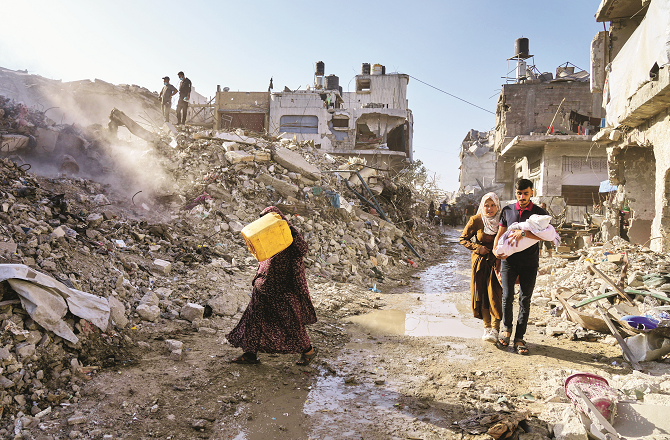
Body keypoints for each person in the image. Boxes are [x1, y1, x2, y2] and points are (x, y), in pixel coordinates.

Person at [226, 206, 318, 365]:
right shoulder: (264, 235)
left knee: (290, 321)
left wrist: (287, 229)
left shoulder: (288, 233)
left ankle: (308, 351)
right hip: (263, 283)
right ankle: (250, 354)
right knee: (254, 318)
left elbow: (302, 249)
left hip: (282, 288)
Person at [493, 179, 548, 355]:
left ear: (532, 192)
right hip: (509, 262)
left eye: (525, 193)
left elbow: (546, 235)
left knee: (525, 299)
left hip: (530, 263)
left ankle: (519, 338)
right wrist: (496, 252)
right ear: (515, 193)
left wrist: (524, 233)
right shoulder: (507, 210)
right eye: (519, 193)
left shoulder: (539, 213)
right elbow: (500, 234)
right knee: (507, 296)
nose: (522, 197)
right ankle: (506, 330)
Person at [459, 192, 503, 344]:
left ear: (497, 206)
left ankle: (496, 330)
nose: (490, 209)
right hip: (481, 263)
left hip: (498, 263)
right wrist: (477, 248)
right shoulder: (476, 220)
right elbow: (463, 239)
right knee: (482, 294)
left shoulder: (503, 220)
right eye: (486, 205)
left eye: (493, 205)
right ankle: (487, 328)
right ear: (482, 206)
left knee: (496, 294)